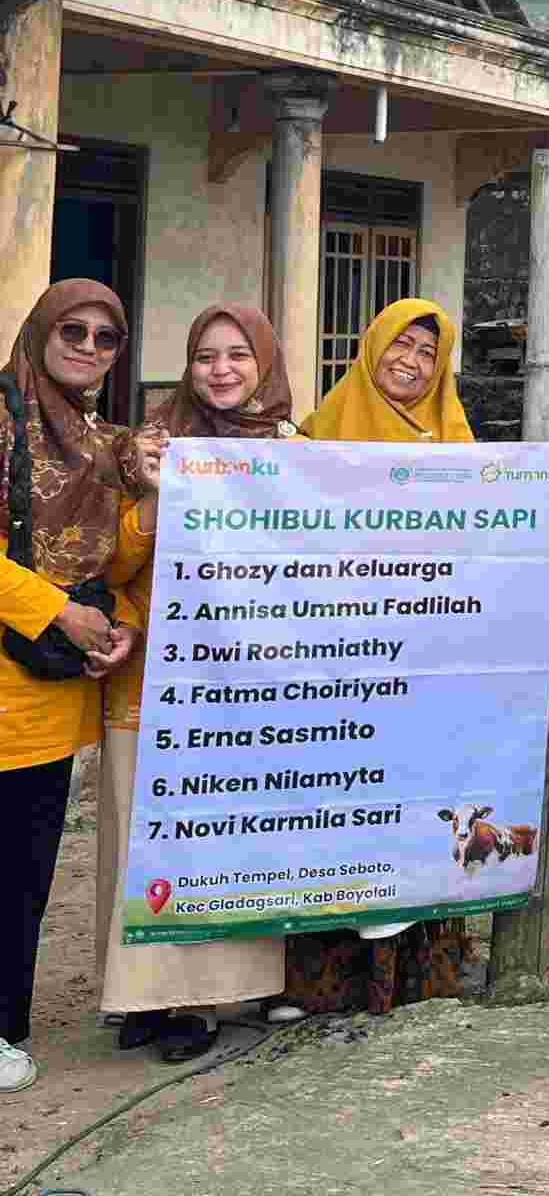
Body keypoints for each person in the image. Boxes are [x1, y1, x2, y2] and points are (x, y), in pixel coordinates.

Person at [280, 300, 549, 1018]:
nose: (411, 362)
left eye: (428, 352)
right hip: (340, 662)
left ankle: (421, 976)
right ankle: (320, 981)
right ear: (371, 346)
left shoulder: (455, 441)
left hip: (426, 665)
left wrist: (543, 476)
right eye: (401, 344)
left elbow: (490, 520)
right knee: (341, 810)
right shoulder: (319, 432)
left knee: (420, 808)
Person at [100, 306, 292, 1064]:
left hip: (248, 686)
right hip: (153, 681)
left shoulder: (293, 450)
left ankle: (207, 1002)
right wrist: (153, 495)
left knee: (226, 838)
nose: (220, 370)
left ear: (264, 363)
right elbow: (111, 564)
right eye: (205, 356)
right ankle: (143, 998)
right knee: (140, 840)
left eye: (238, 355)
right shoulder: (146, 443)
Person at [0, 282, 157, 1096]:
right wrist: (59, 611)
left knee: (23, 867)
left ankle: (2, 1024)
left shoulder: (110, 444)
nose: (88, 348)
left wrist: (118, 624)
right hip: (14, 661)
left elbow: (122, 565)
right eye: (73, 330)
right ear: (39, 329)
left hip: (53, 695)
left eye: (106, 338)